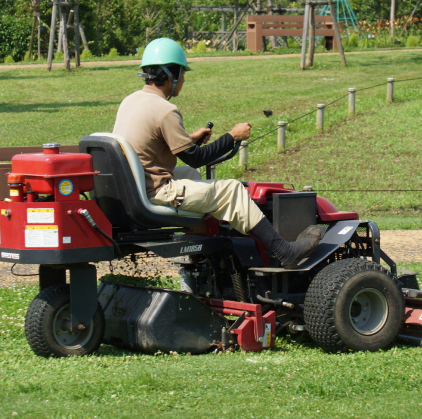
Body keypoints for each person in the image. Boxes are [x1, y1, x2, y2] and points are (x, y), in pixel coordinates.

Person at [113, 38, 323, 268]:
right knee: (232, 191)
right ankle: (285, 251)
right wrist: (232, 136)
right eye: (182, 72)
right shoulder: (166, 110)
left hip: (132, 187)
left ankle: (201, 246)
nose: (183, 79)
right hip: (154, 192)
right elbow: (197, 157)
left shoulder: (131, 100)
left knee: (190, 174)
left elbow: (151, 142)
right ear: (171, 74)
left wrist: (189, 139)